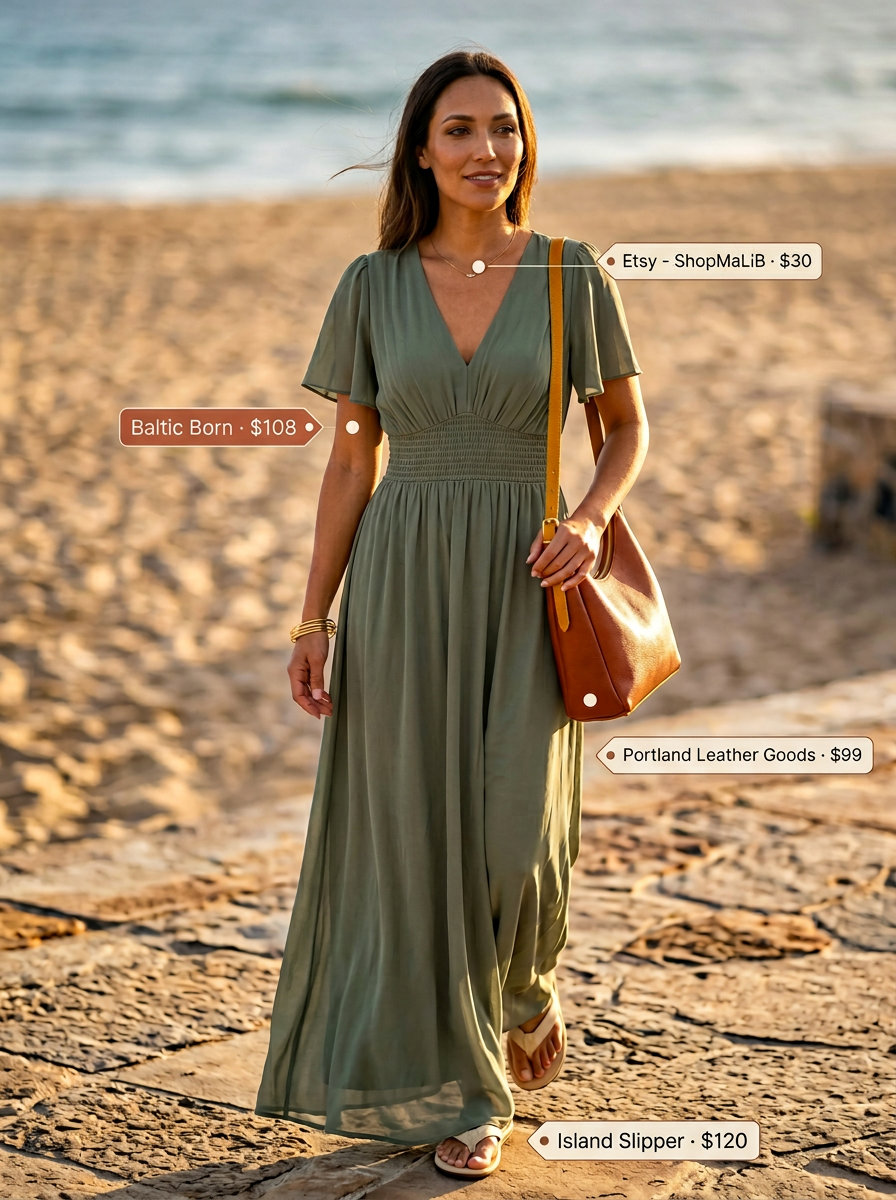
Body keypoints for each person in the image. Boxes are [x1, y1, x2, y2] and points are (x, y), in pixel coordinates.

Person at [254, 48, 648, 1180]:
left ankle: (522, 990)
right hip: (401, 573)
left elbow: (623, 428)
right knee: (418, 832)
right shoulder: (369, 284)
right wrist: (311, 616)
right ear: (420, 148)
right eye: (463, 131)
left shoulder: (571, 275)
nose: (489, 152)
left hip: (532, 576)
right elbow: (348, 463)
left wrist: (589, 517)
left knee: (516, 839)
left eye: (506, 129)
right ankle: (471, 1089)